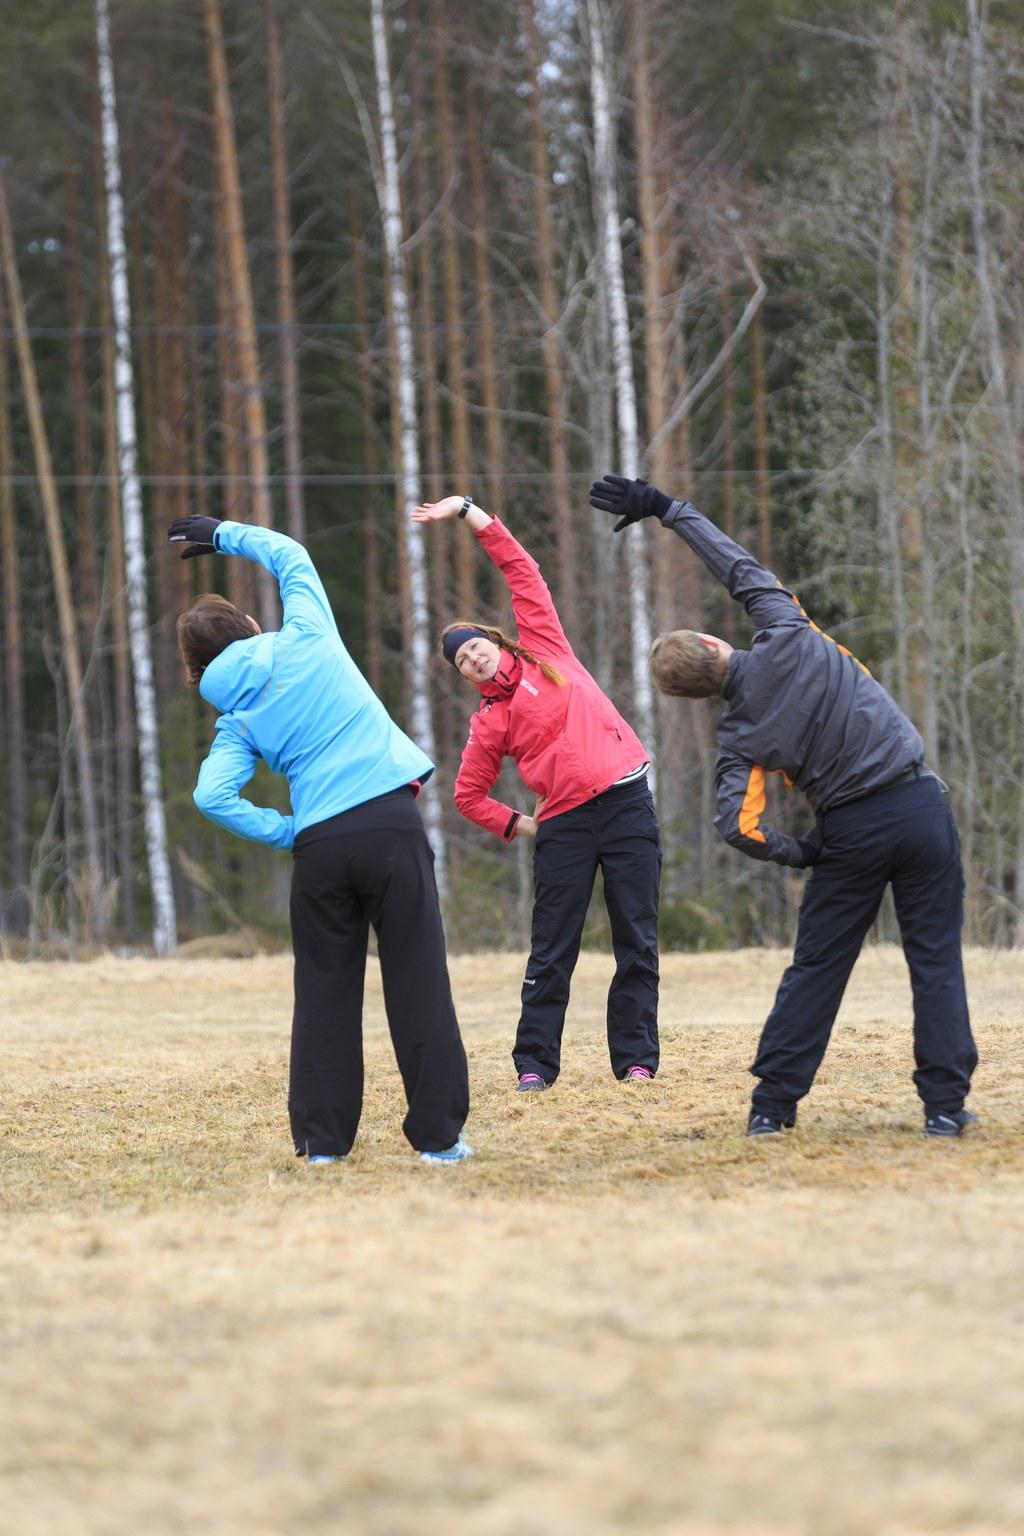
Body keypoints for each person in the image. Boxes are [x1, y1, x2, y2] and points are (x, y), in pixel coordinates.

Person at [588, 473, 978, 1139]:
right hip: (918, 806)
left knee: (817, 969)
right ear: (713, 646)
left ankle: (772, 1109)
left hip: (847, 834)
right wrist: (668, 509)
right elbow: (734, 561)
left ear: (694, 696)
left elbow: (735, 826)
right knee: (935, 960)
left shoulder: (740, 737)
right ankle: (943, 1108)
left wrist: (804, 854)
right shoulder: (784, 626)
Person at [168, 512, 472, 1165]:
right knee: (417, 978)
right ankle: (439, 1141)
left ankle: (323, 1145)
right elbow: (290, 553)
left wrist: (283, 832)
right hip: (388, 822)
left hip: (321, 845)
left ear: (199, 665)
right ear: (250, 626)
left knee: (325, 990)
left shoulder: (235, 715)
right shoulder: (307, 633)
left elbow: (211, 795)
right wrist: (221, 533)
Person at [412, 493, 661, 1091]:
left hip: (627, 802)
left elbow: (522, 571)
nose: (472, 659)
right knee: (552, 950)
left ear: (495, 641)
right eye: (463, 662)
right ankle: (534, 1066)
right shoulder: (488, 722)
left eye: (475, 647)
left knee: (638, 939)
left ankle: (636, 1061)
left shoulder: (547, 650)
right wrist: (525, 826)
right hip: (565, 825)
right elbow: (468, 796)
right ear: (464, 677)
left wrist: (470, 512)